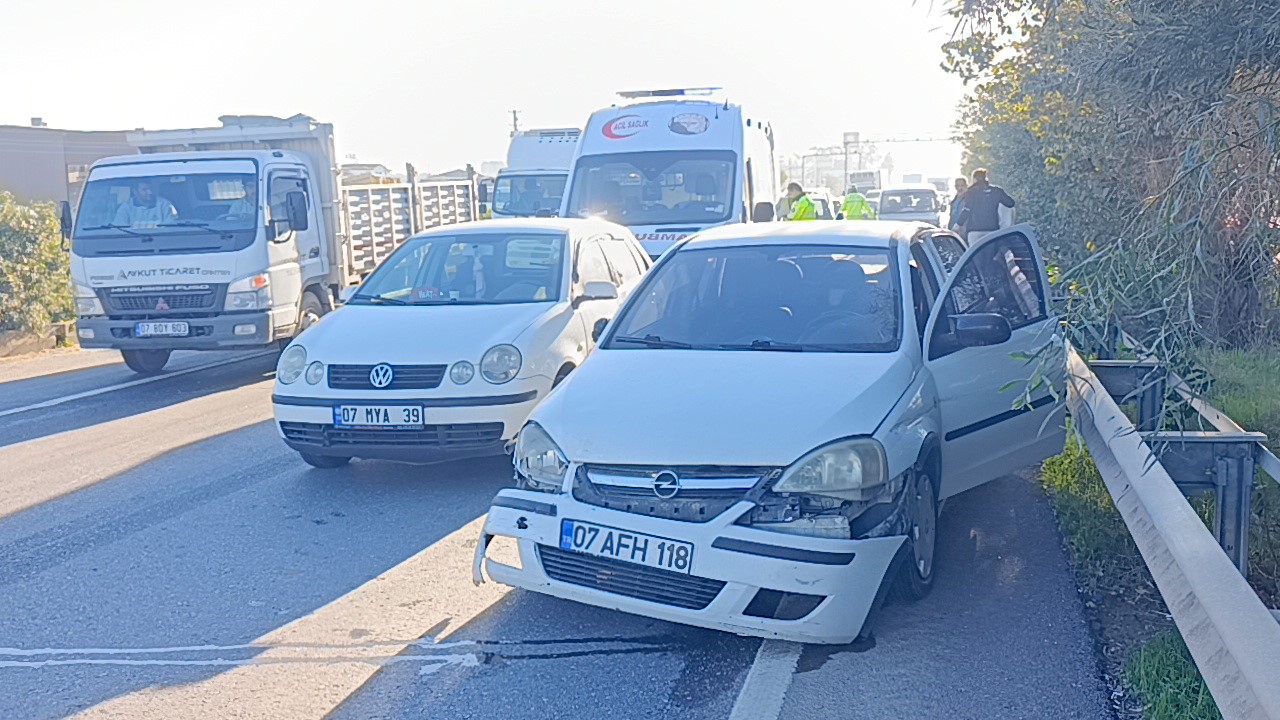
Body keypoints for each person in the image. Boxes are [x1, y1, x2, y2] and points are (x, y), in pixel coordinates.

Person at [956, 169, 1014, 242]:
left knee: (975, 252)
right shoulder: (997, 191)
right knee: (990, 253)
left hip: (974, 230)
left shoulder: (971, 191)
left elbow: (967, 209)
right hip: (992, 230)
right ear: (985, 178)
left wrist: (958, 224)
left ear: (974, 179)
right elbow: (1010, 203)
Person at [113, 180, 178, 228]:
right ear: (135, 192)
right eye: (145, 190)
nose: (150, 192)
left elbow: (171, 227)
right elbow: (119, 229)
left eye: (151, 189)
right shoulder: (126, 207)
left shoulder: (165, 204)